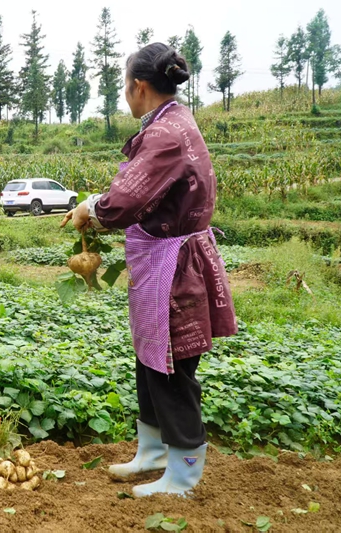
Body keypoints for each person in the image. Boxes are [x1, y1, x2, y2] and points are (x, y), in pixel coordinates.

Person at [62, 43, 237, 497]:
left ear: (139, 86)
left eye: (125, 85)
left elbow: (124, 202)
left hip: (174, 267)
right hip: (162, 262)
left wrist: (91, 208)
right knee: (151, 360)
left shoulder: (166, 134)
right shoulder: (174, 122)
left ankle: (183, 473)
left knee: (171, 366)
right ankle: (154, 451)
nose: (125, 93)